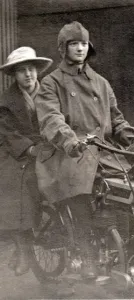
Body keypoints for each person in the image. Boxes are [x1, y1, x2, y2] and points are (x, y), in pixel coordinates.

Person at [34, 21, 134, 280]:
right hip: (66, 153)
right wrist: (69, 140)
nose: (80, 49)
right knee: (82, 195)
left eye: (83, 44)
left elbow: (117, 120)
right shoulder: (51, 82)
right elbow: (51, 118)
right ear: (63, 48)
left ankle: (126, 247)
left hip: (103, 151)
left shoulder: (101, 83)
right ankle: (86, 254)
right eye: (74, 44)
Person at [0, 47, 52, 276]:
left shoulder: (50, 93)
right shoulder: (6, 101)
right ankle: (22, 248)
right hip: (16, 151)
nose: (28, 75)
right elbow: (7, 133)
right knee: (20, 189)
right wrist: (29, 148)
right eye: (22, 71)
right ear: (14, 75)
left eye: (31, 69)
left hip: (48, 146)